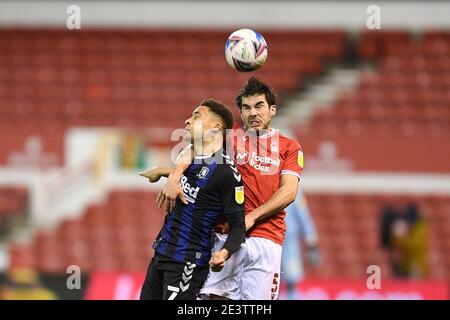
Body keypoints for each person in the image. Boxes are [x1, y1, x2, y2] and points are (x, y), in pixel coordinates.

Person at [142, 77, 303, 300]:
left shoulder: (289, 147)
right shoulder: (231, 139)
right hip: (224, 236)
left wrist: (253, 217)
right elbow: (193, 148)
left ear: (272, 110)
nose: (253, 113)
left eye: (259, 106)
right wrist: (174, 174)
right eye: (246, 108)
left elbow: (289, 192)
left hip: (267, 238)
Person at [139, 99, 246, 300]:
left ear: (217, 126)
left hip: (187, 263)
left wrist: (224, 254)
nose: (188, 121)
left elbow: (239, 227)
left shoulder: (226, 173)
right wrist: (169, 173)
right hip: (161, 255)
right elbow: (195, 176)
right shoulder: (188, 157)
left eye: (197, 115)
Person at [281, 189, 319, 300]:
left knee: (291, 279)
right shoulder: (269, 186)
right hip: (270, 238)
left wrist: (311, 243)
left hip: (289, 242)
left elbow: (304, 216)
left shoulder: (295, 191)